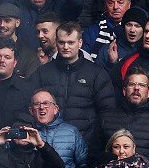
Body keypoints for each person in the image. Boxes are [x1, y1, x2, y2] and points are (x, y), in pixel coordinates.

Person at [33, 21, 116, 154]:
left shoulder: (96, 73)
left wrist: (95, 143)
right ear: (56, 42)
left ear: (80, 43)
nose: (66, 47)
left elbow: (108, 113)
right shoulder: (42, 72)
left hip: (85, 144)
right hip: (48, 145)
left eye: (71, 42)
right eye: (61, 42)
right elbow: (30, 107)